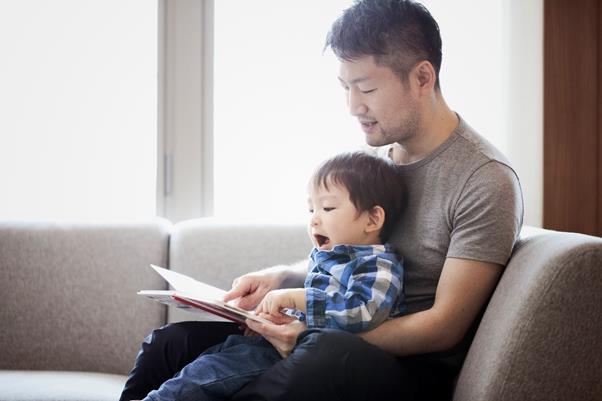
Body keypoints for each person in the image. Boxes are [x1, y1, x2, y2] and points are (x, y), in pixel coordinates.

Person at [121, 1, 523, 400]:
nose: (353, 106)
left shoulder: (484, 180)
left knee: (319, 357)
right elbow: (347, 265)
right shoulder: (374, 164)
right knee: (171, 344)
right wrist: (281, 278)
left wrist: (311, 333)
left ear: (422, 77)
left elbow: (443, 326)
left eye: (365, 88)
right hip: (328, 336)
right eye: (345, 87)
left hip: (403, 367)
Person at [138, 152, 406, 401]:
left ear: (372, 220)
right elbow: (315, 311)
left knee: (199, 379)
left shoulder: (378, 265)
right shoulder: (327, 255)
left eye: (327, 209)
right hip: (273, 344)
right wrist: (267, 316)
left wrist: (296, 298)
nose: (314, 220)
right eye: (311, 210)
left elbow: (362, 310)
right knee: (195, 364)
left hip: (303, 358)